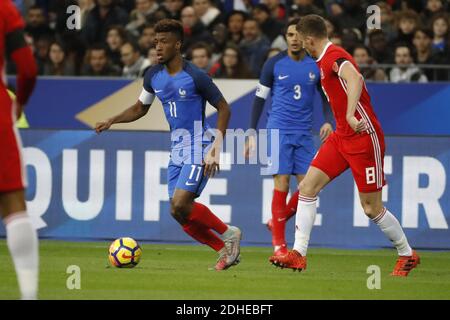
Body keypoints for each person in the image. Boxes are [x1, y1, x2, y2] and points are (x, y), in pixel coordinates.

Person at [271, 14, 420, 277]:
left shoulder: (332, 56)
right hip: (342, 136)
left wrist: (351, 114)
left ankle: (407, 253)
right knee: (307, 187)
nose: (298, 44)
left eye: (300, 39)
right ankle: (298, 254)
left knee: (371, 208)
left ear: (309, 39)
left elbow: (355, 79)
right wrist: (345, 121)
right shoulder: (321, 60)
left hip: (364, 137)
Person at [95, 19, 242, 271]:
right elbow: (141, 108)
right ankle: (224, 251)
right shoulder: (152, 75)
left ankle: (229, 233)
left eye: (163, 42)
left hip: (199, 143)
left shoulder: (195, 76)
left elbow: (224, 107)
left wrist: (216, 147)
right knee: (177, 213)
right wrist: (112, 119)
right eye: (155, 41)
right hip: (177, 148)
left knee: (181, 203)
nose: (157, 47)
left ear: (177, 44)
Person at [244, 18, 333, 257]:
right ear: (285, 38)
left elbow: (325, 96)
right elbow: (259, 99)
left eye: (297, 35)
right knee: (281, 184)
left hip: (304, 133)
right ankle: (279, 245)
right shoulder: (273, 64)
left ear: (306, 38)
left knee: (309, 188)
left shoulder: (315, 65)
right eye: (290, 35)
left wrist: (327, 120)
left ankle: (278, 219)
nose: (294, 39)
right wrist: (251, 132)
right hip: (278, 132)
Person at [0, 0, 39, 299]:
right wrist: (19, 102)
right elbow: (27, 68)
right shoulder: (4, 8)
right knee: (14, 207)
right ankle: (28, 295)